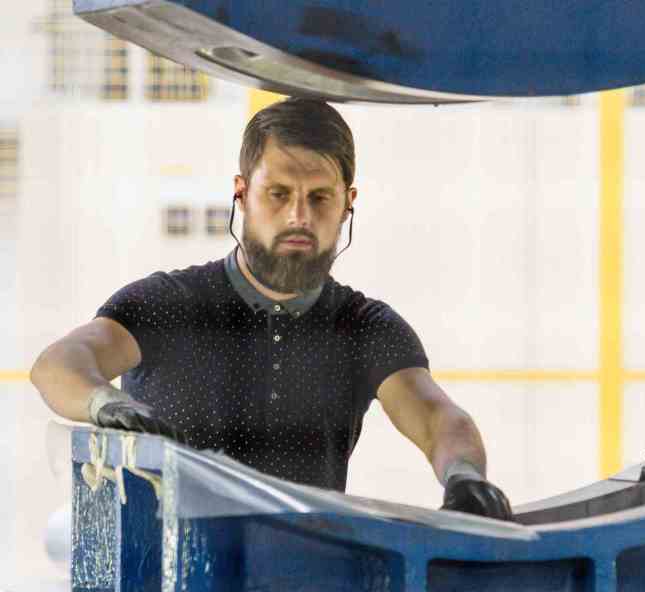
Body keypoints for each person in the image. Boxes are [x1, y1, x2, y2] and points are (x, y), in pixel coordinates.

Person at [30, 97, 512, 521]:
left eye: (319, 198)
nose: (298, 216)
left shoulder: (365, 328)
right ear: (241, 193)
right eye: (278, 194)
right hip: (163, 591)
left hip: (298, 590)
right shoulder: (169, 304)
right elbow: (59, 364)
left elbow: (436, 416)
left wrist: (465, 476)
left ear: (349, 203)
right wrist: (106, 403)